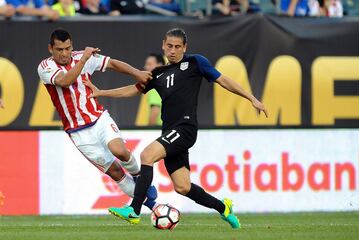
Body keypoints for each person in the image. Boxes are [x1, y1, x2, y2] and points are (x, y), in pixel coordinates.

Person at [84, 28, 268, 229]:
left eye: (177, 47)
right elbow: (133, 90)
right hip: (170, 131)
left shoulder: (196, 62)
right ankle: (223, 208)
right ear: (163, 44)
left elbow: (223, 80)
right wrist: (102, 92)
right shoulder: (157, 73)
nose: (172, 50)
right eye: (169, 46)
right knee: (182, 187)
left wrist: (252, 98)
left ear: (185, 48)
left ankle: (134, 210)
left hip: (185, 127)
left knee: (147, 156)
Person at [37, 28, 158, 211]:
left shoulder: (81, 56)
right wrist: (84, 59)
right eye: (59, 49)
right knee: (116, 173)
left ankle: (141, 177)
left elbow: (113, 64)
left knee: (120, 151)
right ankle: (155, 207)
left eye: (68, 48)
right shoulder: (45, 67)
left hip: (98, 117)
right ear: (50, 49)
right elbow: (65, 81)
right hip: (78, 131)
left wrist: (137, 74)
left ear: (72, 46)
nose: (64, 54)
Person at [143, 53, 164, 126]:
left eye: (149, 64)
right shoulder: (166, 82)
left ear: (160, 65)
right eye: (146, 64)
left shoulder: (155, 85)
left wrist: (150, 131)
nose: (146, 67)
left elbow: (155, 111)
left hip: (160, 131)